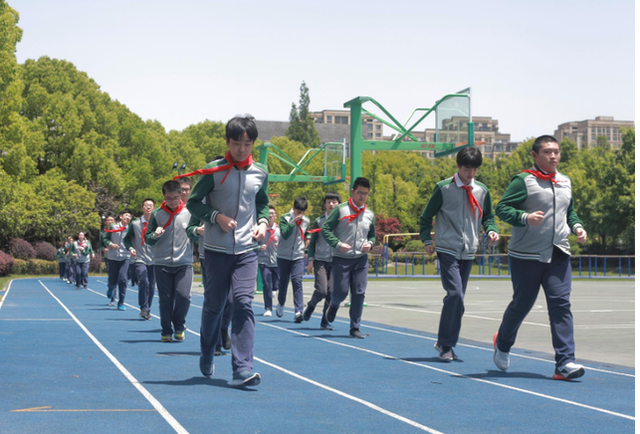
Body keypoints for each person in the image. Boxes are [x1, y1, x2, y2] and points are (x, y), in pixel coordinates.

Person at [493, 135, 588, 380]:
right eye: (547, 152)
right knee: (522, 304)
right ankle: (503, 343)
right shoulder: (524, 180)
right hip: (526, 255)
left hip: (558, 253)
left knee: (561, 304)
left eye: (556, 151)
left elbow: (570, 212)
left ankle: (564, 363)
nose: (553, 156)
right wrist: (525, 218)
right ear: (535, 156)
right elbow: (501, 208)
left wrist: (577, 227)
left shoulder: (565, 181)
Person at [186, 114, 269, 387]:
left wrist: (263, 223)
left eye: (247, 144)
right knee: (214, 307)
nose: (242, 149)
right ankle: (207, 351)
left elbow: (262, 204)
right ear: (227, 142)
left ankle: (242, 368)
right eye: (236, 143)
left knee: (244, 303)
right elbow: (194, 203)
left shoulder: (261, 172)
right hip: (216, 250)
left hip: (247, 250)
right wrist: (216, 217)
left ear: (253, 143)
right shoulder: (213, 171)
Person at [419, 147, 499, 361]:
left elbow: (488, 216)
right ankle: (445, 345)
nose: (470, 173)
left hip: (469, 251)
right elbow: (426, 216)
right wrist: (427, 239)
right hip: (447, 249)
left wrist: (491, 230)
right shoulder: (443, 188)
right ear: (458, 166)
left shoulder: (482, 191)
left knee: (458, 300)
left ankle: (444, 342)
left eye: (474, 169)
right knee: (454, 295)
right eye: (466, 169)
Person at [321, 177, 375, 339]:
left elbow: (372, 235)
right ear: (352, 191)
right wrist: (338, 244)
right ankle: (334, 304)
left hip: (361, 259)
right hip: (341, 258)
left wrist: (370, 244)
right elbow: (325, 230)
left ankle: (355, 327)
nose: (362, 197)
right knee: (341, 292)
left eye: (365, 194)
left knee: (359, 292)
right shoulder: (341, 210)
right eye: (359, 193)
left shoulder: (369, 214)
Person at [145, 181, 199, 342]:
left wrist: (198, 232)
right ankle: (166, 330)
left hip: (184, 263)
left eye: (175, 198)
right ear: (164, 197)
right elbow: (148, 239)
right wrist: (154, 235)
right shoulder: (157, 214)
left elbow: (195, 235)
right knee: (165, 299)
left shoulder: (190, 213)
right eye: (168, 199)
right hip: (162, 264)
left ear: (181, 195)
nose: (172, 202)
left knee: (184, 296)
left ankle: (179, 324)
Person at [303, 192, 342, 330]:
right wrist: (311, 260)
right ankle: (311, 306)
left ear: (339, 204)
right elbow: (312, 242)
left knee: (331, 291)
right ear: (325, 204)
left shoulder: (343, 221)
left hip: (336, 260)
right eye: (329, 202)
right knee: (321, 290)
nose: (331, 204)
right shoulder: (319, 221)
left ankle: (324, 321)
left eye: (334, 202)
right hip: (320, 260)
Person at [275, 197, 310, 323]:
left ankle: (298, 311)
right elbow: (284, 234)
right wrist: (293, 222)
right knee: (283, 281)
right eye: (298, 212)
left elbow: (306, 233)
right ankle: (281, 302)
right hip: (283, 256)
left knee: (297, 281)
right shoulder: (285, 218)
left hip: (298, 256)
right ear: (293, 209)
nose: (300, 215)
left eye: (303, 212)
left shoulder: (306, 220)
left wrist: (308, 237)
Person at [124, 198, 157, 320]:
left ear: (154, 208)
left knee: (152, 285)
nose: (148, 207)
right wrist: (131, 248)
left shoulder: (158, 224)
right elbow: (127, 239)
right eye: (146, 205)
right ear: (142, 208)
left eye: (151, 205)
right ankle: (144, 308)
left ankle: (147, 308)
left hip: (155, 259)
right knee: (144, 281)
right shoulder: (135, 224)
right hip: (139, 257)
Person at [103, 210, 133, 309]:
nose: (128, 217)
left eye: (129, 216)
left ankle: (121, 302)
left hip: (125, 257)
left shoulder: (131, 228)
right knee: (113, 279)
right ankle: (111, 287)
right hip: (113, 257)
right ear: (121, 216)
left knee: (123, 279)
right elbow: (105, 238)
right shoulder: (113, 226)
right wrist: (111, 244)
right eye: (126, 215)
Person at [258, 206, 280, 317]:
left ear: (275, 216)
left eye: (272, 213)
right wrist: (259, 247)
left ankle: (275, 289)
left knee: (276, 285)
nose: (270, 215)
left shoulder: (279, 230)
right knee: (267, 284)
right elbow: (252, 243)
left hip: (277, 261)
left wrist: (280, 246)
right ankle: (268, 308)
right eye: (269, 213)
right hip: (264, 260)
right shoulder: (260, 229)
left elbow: (286, 244)